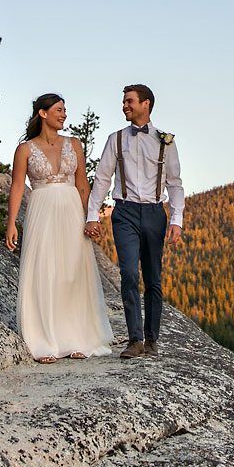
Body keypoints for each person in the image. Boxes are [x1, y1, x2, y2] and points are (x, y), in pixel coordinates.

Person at [5, 93, 113, 363]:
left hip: (71, 209)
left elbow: (82, 184)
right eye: (59, 110)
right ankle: (44, 340)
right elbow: (17, 186)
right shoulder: (25, 149)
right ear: (43, 113)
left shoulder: (74, 144)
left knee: (72, 272)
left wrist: (91, 217)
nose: (64, 114)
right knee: (44, 270)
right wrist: (11, 224)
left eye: (65, 110)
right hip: (42, 209)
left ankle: (76, 337)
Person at [84, 83, 183, 359]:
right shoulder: (115, 139)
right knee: (128, 273)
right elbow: (102, 179)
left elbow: (175, 184)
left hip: (154, 213)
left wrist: (177, 219)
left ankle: (151, 339)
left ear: (146, 104)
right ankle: (135, 339)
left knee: (153, 278)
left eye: (129, 101)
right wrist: (93, 215)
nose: (124, 106)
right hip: (124, 212)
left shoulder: (166, 141)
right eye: (124, 102)